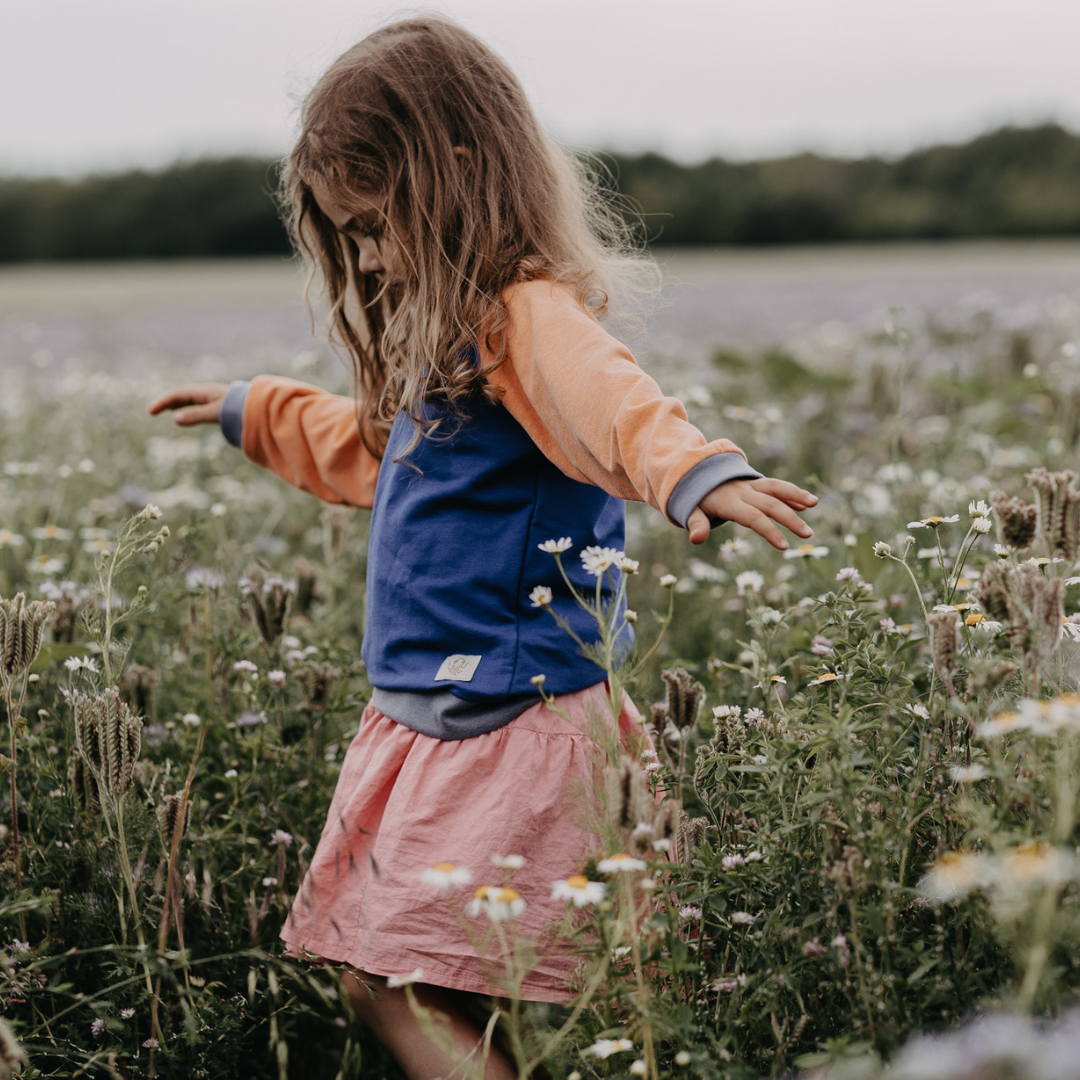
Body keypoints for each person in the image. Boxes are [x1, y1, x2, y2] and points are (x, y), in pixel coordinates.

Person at [149, 17, 817, 1078]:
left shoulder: (524, 313)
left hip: (507, 714)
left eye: (373, 225)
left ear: (455, 173)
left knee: (395, 975)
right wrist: (253, 409)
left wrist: (699, 474)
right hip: (435, 709)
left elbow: (612, 400)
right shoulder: (449, 334)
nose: (365, 257)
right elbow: (381, 459)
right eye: (348, 236)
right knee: (437, 979)